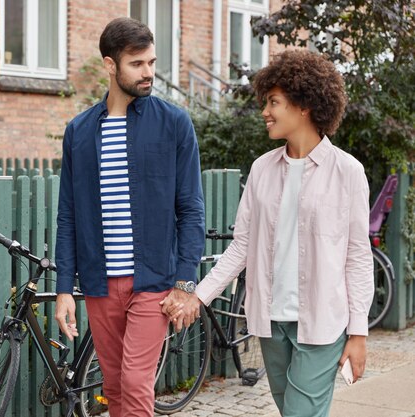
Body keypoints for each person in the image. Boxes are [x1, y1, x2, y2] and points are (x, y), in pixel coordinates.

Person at [162, 50, 374, 417]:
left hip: (323, 322)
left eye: (273, 102)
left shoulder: (348, 172)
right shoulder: (262, 169)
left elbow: (357, 257)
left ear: (304, 105)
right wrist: (198, 296)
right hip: (271, 320)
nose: (265, 112)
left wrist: (358, 333)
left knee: (298, 413)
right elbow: (241, 245)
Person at [53, 17, 205, 417]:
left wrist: (185, 282)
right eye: (137, 64)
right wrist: (64, 288)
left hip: (152, 280)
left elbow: (190, 208)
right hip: (101, 283)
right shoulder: (80, 132)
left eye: (152, 62)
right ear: (110, 65)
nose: (148, 72)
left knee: (137, 384)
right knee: (115, 386)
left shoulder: (174, 124)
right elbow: (67, 213)